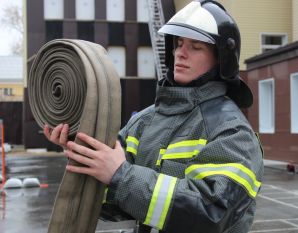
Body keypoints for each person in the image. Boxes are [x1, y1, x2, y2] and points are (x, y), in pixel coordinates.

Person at [44, 1, 264, 232]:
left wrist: (121, 175)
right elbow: (114, 204)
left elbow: (211, 215)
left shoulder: (232, 131)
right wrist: (81, 150)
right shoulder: (144, 122)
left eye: (195, 47)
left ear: (221, 58)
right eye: (178, 44)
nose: (181, 53)